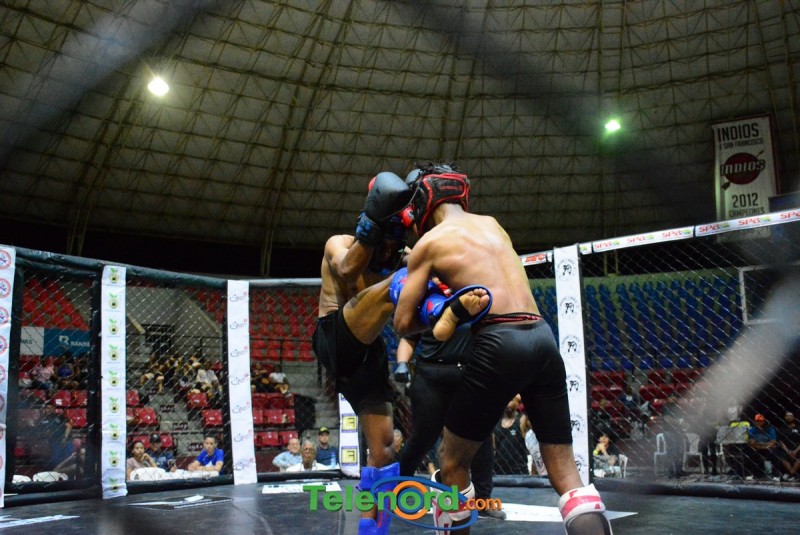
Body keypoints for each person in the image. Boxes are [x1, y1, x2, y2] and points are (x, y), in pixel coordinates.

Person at [393, 162, 612, 534]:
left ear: (421, 205)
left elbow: (401, 322)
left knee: (452, 464)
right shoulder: (494, 225)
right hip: (542, 338)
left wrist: (448, 310)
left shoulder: (428, 244)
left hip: (499, 341)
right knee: (567, 475)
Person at [310, 171, 414, 535]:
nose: (387, 251)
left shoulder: (402, 257)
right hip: (334, 336)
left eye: (393, 244)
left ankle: (372, 528)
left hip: (368, 351)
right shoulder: (339, 244)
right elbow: (347, 269)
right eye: (383, 241)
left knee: (384, 450)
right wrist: (372, 228)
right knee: (406, 279)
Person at [397, 329, 507, 520]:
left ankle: (483, 500)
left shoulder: (476, 308)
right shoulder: (424, 308)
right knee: (422, 438)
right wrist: (402, 363)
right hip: (431, 376)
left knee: (481, 436)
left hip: (470, 374)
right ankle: (400, 493)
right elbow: (409, 337)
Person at [493, 395, 530, 475]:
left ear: (517, 403)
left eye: (510, 400)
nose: (507, 404)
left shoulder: (522, 420)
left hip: (519, 473)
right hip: (498, 473)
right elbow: (493, 448)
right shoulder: (496, 422)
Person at [746, 413, 781, 479]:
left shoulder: (770, 429)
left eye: (760, 421)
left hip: (768, 448)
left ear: (764, 421)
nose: (758, 423)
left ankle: (776, 475)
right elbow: (751, 442)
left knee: (775, 453)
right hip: (757, 448)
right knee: (750, 452)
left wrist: (764, 446)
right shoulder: (752, 430)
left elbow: (773, 442)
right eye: (757, 421)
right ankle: (751, 474)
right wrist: (761, 445)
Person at [778, 411, 800, 481]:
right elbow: (781, 441)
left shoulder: (798, 428)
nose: (789, 417)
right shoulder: (782, 428)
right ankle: (792, 474)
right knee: (782, 456)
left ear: (794, 417)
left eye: (790, 416)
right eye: (787, 416)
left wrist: (795, 451)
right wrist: (788, 451)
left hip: (797, 448)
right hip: (786, 449)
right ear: (785, 417)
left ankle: (791, 474)